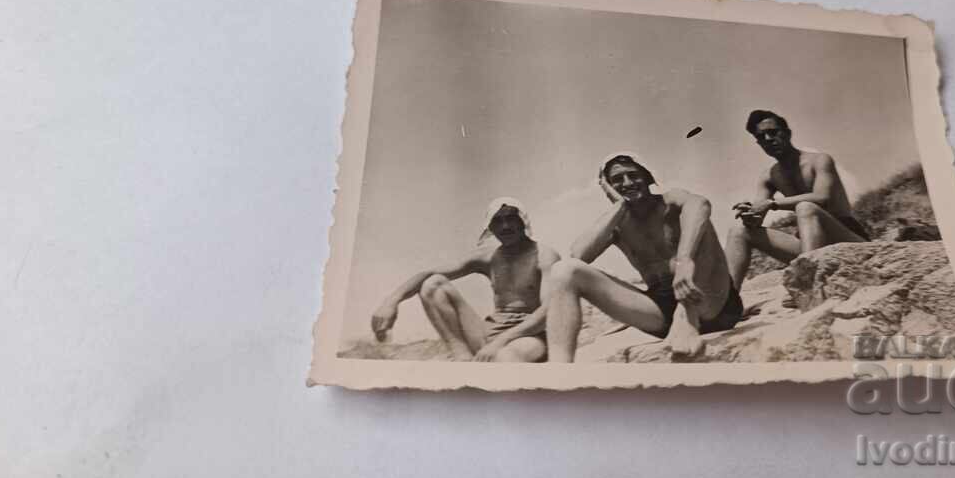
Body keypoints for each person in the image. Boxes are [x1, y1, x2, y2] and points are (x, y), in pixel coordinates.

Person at [545, 154, 742, 361]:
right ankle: (560, 368)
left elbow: (701, 204)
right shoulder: (619, 222)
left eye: (633, 175)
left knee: (696, 221)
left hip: (711, 304)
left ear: (648, 178)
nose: (627, 183)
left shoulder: (671, 202)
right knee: (564, 271)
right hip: (662, 313)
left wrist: (684, 260)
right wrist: (619, 206)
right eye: (618, 180)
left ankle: (687, 316)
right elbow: (578, 255)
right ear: (608, 187)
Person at [369, 197, 558, 362]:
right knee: (433, 284)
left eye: (511, 218)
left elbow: (547, 313)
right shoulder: (488, 257)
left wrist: (500, 342)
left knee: (505, 358)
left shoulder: (544, 256)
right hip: (490, 332)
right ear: (490, 227)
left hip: (530, 336)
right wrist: (391, 301)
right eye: (498, 221)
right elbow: (427, 273)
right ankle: (462, 357)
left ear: (522, 221)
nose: (505, 226)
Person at [725, 110, 870, 290]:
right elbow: (757, 218)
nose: (769, 139)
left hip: (848, 240)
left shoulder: (819, 160)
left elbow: (822, 198)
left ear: (787, 133)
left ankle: (806, 287)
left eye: (773, 132)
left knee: (806, 208)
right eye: (762, 137)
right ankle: (728, 303)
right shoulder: (769, 176)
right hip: (811, 248)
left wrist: (772, 204)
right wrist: (750, 213)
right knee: (739, 230)